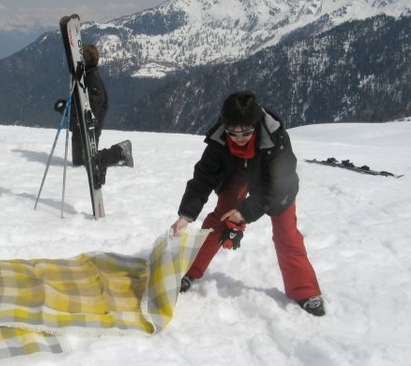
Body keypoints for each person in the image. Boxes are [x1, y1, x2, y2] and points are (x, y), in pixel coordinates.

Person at [170, 91, 325, 316]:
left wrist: (245, 213)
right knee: (220, 219)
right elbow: (203, 177)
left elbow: (278, 187)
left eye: (246, 132)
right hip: (237, 171)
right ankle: (190, 271)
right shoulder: (219, 139)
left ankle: (306, 291)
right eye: (233, 131)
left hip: (276, 183)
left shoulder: (275, 139)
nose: (239, 137)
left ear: (256, 124)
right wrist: (186, 215)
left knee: (286, 234)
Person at [55, 44, 133, 183]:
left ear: (86, 60)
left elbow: (90, 110)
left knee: (90, 162)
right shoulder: (84, 77)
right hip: (79, 129)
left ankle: (121, 150)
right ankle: (114, 153)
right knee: (79, 162)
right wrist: (66, 107)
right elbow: (80, 105)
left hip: (89, 130)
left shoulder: (93, 81)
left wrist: (68, 111)